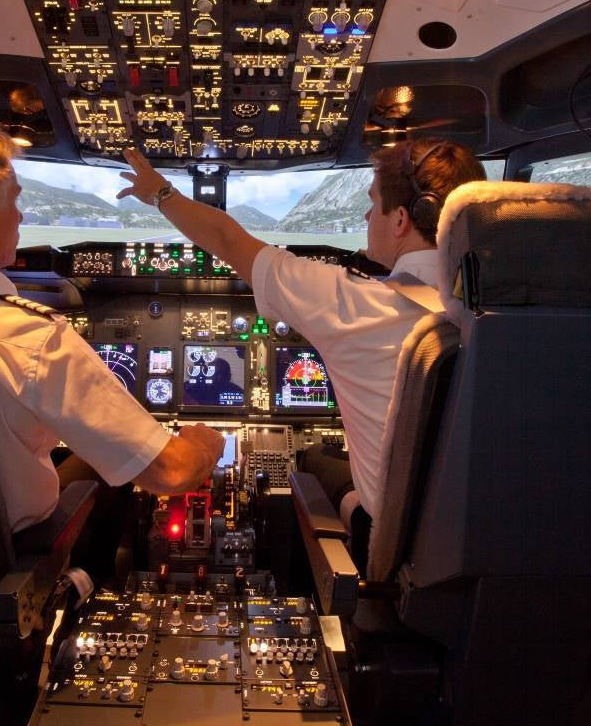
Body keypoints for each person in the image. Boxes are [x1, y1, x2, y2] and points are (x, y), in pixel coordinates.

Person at [117, 139, 486, 556]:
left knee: (310, 458)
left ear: (401, 219)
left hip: (399, 554)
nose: (367, 216)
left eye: (373, 204)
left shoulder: (352, 303)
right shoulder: (511, 313)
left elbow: (226, 238)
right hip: (493, 545)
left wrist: (161, 193)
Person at [0, 124, 225, 551]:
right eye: (15, 200)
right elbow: (172, 474)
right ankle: (85, 581)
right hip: (2, 565)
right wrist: (204, 444)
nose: (22, 216)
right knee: (119, 469)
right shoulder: (27, 337)